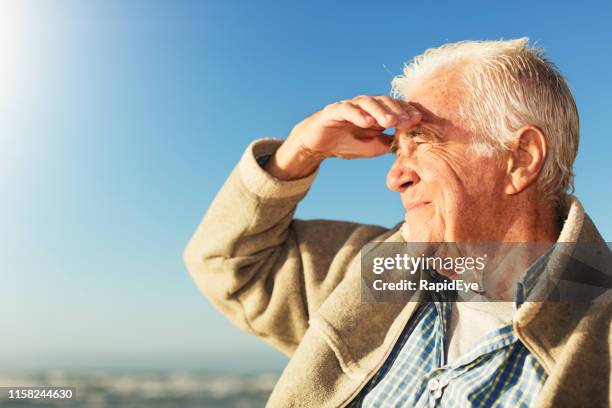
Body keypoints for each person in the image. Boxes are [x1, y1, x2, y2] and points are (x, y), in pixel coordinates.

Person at [183, 38, 611, 407]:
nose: (395, 177)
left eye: (422, 141)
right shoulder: (380, 272)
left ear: (520, 159)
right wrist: (297, 153)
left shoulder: (599, 345)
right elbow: (227, 265)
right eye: (396, 152)